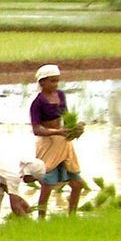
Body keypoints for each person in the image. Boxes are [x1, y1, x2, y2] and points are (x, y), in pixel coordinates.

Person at [29, 64, 88, 217]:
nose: (56, 85)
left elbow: (66, 118)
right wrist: (57, 132)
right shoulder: (37, 102)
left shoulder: (61, 95)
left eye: (57, 81)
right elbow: (36, 129)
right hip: (48, 144)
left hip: (64, 142)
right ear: (42, 82)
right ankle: (41, 218)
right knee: (47, 184)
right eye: (52, 81)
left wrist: (75, 129)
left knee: (77, 183)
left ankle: (71, 217)